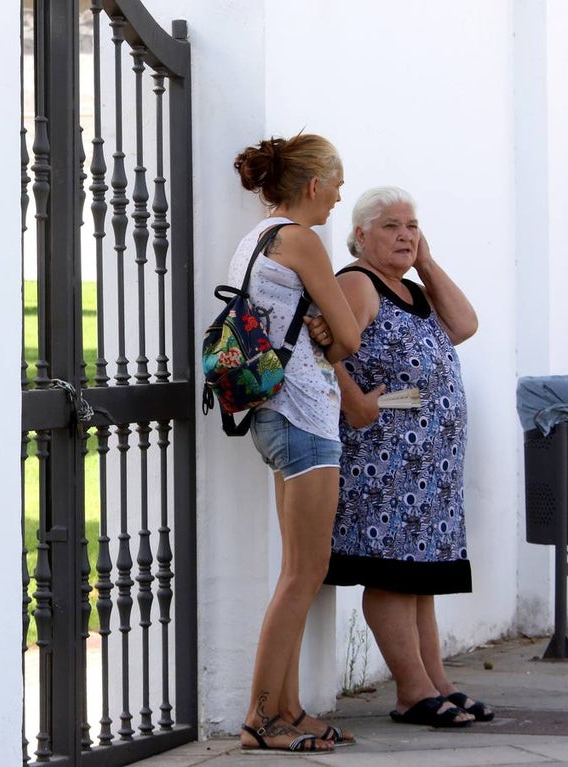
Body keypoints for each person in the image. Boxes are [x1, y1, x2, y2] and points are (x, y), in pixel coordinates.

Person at [323, 186, 492, 727]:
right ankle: (411, 692)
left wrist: (427, 261)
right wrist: (355, 402)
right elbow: (324, 350)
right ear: (360, 235)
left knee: (420, 580)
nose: (405, 235)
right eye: (391, 226)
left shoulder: (414, 289)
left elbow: (464, 325)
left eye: (412, 226)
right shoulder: (357, 283)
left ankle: (436, 682)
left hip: (430, 468)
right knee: (394, 575)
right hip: (386, 462)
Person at [231, 134, 361, 754]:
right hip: (304, 416)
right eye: (336, 183)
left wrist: (320, 329)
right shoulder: (302, 240)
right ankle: (261, 718)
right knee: (303, 574)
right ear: (313, 185)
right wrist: (330, 332)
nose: (339, 196)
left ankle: (288, 708)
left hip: (274, 413)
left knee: (296, 571)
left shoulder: (256, 240)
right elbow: (350, 338)